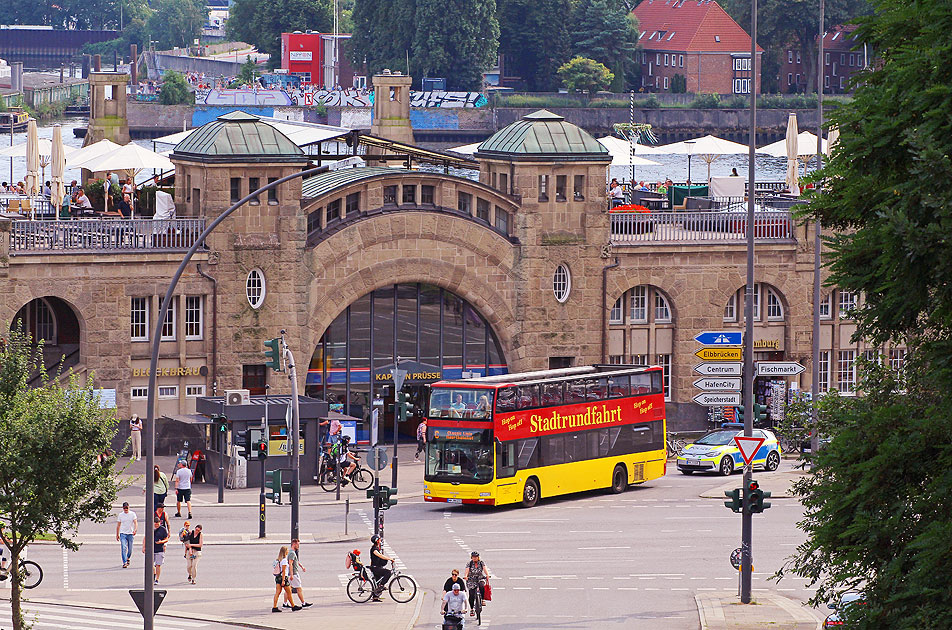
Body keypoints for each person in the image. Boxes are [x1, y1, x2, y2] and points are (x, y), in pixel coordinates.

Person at [285, 539, 312, 608]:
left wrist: (302, 567)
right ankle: (303, 603)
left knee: (288, 589)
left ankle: (285, 604)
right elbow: (290, 564)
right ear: (294, 544)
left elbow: (296, 561)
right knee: (299, 589)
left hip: (292, 573)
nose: (298, 546)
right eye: (298, 544)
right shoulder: (292, 553)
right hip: (294, 574)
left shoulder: (291, 552)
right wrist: (291, 575)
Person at [143, 516, 169, 584]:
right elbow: (145, 538)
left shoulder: (163, 529)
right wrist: (144, 547)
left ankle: (157, 579)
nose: (156, 525)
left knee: (158, 565)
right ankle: (153, 574)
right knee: (150, 564)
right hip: (151, 549)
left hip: (159, 549)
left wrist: (161, 542)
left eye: (158, 523)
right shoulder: (150, 528)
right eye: (155, 523)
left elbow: (166, 539)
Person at [464, 551, 491, 616]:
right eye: (473, 557)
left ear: (478, 557)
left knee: (482, 586)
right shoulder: (469, 563)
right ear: (471, 557)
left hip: (480, 578)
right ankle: (471, 609)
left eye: (476, 557)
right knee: (471, 594)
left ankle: (483, 600)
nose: (475, 558)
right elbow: (467, 570)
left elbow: (484, 569)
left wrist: (487, 574)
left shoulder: (481, 563)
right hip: (471, 579)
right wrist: (466, 576)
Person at [272, 546, 298, 612]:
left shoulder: (279, 560)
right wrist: (283, 580)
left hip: (278, 578)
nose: (288, 551)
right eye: (287, 550)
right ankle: (293, 606)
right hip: (283, 578)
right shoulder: (284, 561)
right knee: (289, 592)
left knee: (277, 593)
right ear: (285, 552)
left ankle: (274, 607)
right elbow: (283, 571)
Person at [368, 535, 393, 601]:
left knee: (377, 580)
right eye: (379, 539)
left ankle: (375, 597)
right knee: (388, 572)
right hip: (375, 568)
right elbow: (380, 556)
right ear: (377, 541)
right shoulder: (374, 549)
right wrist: (389, 558)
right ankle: (381, 586)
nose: (380, 540)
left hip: (377, 567)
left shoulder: (376, 547)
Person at [116, 502, 137, 568]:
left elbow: (135, 523)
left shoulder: (132, 514)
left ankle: (128, 557)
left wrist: (135, 530)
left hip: (130, 533)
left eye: (126, 508)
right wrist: (117, 534)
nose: (125, 509)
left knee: (130, 549)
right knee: (123, 547)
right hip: (123, 533)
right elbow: (118, 525)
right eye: (124, 508)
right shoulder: (121, 515)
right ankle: (124, 562)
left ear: (128, 507)